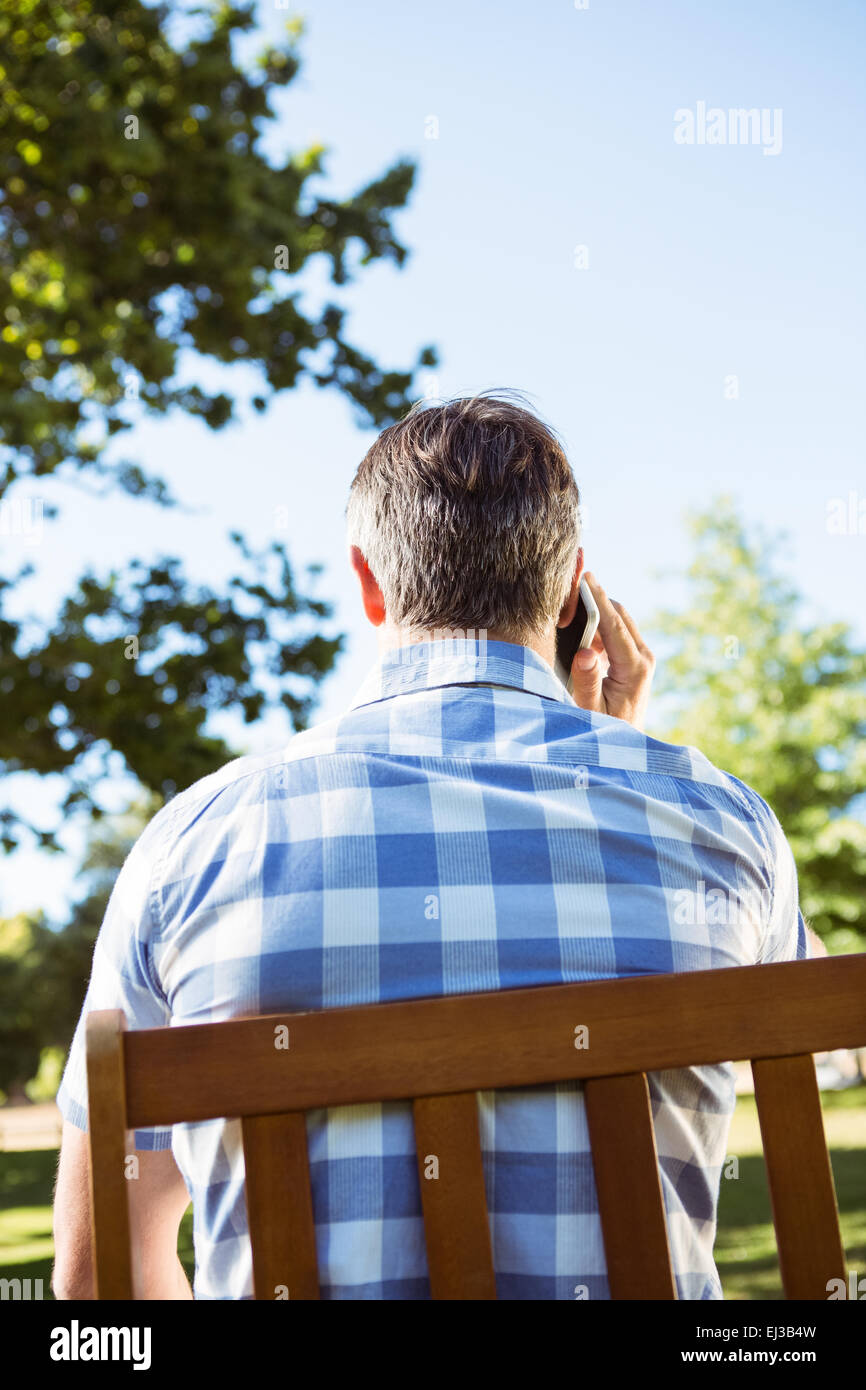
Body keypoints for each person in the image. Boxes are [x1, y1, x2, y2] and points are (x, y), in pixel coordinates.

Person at [52, 390, 816, 1300]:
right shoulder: (725, 828)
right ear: (572, 587)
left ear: (368, 582)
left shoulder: (196, 843)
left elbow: (99, 1277)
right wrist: (631, 761)